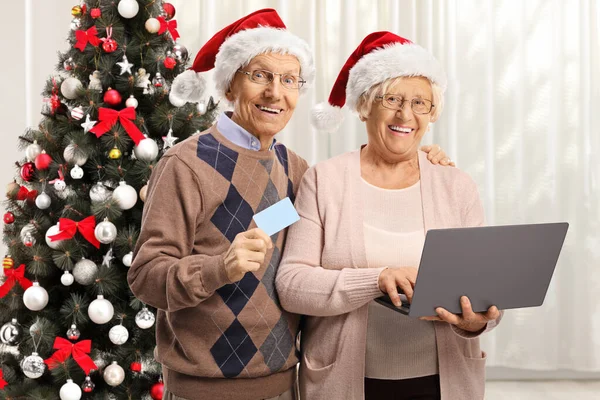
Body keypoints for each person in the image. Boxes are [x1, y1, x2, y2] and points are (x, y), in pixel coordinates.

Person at [128, 10, 451, 399]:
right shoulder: (185, 164)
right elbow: (146, 275)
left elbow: (350, 198)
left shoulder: (294, 169)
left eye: (288, 80)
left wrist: (422, 159)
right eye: (260, 75)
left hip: (283, 380)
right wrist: (218, 268)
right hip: (204, 388)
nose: (275, 93)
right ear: (229, 85)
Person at [275, 31, 502, 400]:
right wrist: (377, 280)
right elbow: (292, 285)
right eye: (392, 99)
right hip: (346, 383)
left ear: (432, 113)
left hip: (444, 384)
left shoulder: (456, 184)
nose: (405, 114)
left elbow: (485, 290)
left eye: (420, 103)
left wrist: (479, 321)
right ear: (365, 105)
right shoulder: (324, 180)